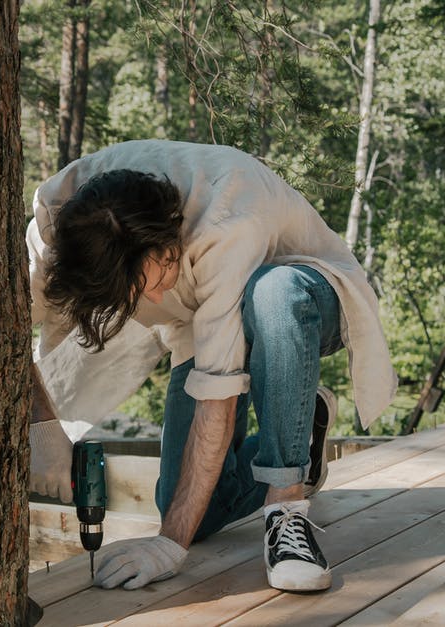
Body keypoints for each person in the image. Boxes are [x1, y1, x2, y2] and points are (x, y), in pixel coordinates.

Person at [26, 140, 397, 593]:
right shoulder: (58, 228)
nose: (158, 299)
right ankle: (306, 426)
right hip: (207, 321)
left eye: (160, 275)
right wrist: (43, 424)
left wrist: (168, 547)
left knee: (272, 292)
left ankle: (286, 513)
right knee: (189, 512)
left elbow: (216, 401)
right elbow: (2, 322)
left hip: (309, 297)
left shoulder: (227, 221)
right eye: (143, 290)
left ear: (169, 238)